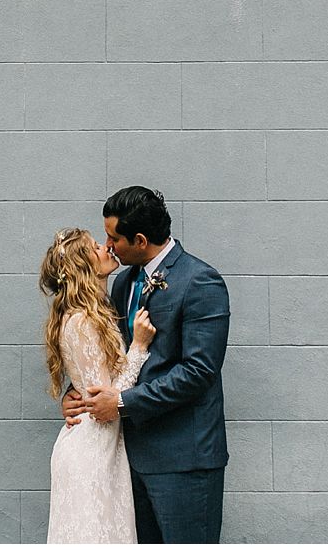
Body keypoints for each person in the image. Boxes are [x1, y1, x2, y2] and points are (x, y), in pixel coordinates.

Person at [64, 186, 231, 543]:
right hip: (130, 458)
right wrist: (78, 392)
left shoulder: (200, 281)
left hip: (184, 460)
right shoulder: (123, 282)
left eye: (113, 238)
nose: (107, 246)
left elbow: (199, 371)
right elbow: (110, 353)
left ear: (140, 240)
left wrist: (122, 403)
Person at [40, 226, 157, 544]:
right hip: (90, 454)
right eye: (95, 248)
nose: (106, 248)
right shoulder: (81, 321)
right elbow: (104, 397)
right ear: (84, 266)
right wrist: (139, 347)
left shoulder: (97, 313)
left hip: (104, 449)